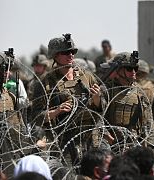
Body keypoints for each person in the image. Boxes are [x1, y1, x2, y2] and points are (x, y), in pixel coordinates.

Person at [32, 33, 104, 165]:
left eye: (72, 52)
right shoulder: (45, 83)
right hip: (62, 142)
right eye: (65, 52)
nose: (70, 55)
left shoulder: (87, 77)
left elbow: (101, 108)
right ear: (55, 56)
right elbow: (36, 117)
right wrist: (56, 112)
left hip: (90, 140)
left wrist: (97, 98)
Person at [100, 52, 154, 147]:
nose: (134, 72)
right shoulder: (107, 90)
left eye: (135, 68)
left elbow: (148, 121)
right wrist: (106, 137)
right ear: (118, 71)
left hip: (134, 144)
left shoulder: (140, 92)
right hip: (112, 144)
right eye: (129, 69)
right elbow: (98, 118)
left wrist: (151, 146)